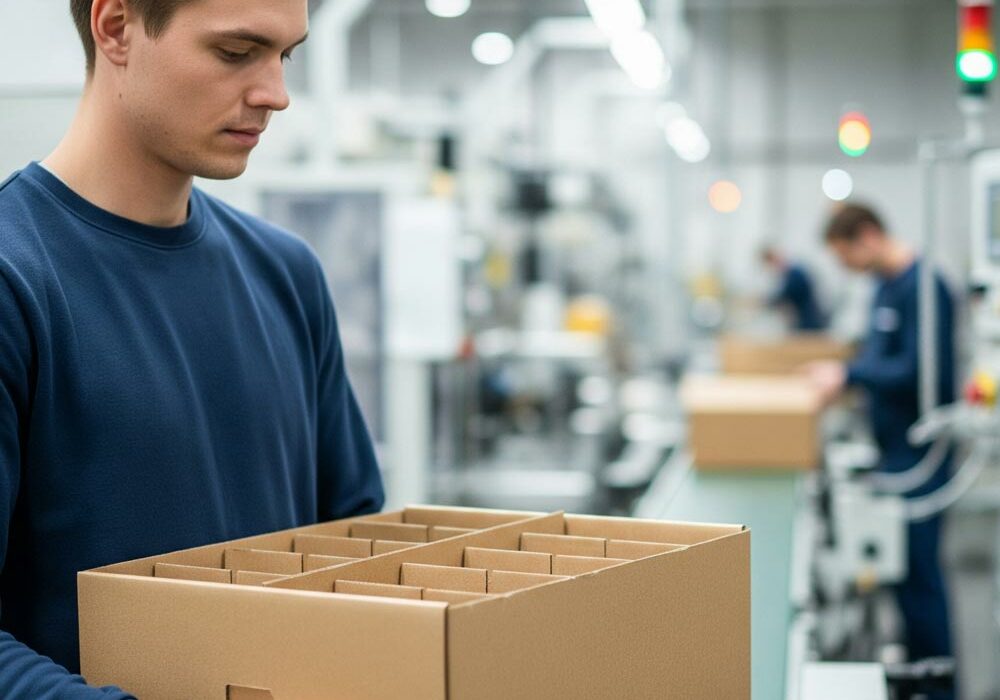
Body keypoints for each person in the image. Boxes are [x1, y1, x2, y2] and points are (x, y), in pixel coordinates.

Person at [0, 0, 385, 696]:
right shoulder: (16, 281)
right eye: (237, 53)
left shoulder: (287, 275)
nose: (276, 94)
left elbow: (356, 554)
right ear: (115, 27)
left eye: (286, 54)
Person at [806, 204, 955, 698]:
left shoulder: (925, 287)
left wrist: (849, 376)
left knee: (920, 578)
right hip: (891, 450)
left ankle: (939, 686)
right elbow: (877, 358)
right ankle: (913, 676)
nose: (848, 268)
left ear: (868, 236)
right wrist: (844, 370)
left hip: (921, 455)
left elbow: (920, 371)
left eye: (847, 256)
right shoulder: (885, 287)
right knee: (898, 573)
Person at [761, 246, 827, 331]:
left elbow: (784, 295)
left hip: (809, 321)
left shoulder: (795, 274)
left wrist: (764, 302)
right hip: (803, 320)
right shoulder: (789, 275)